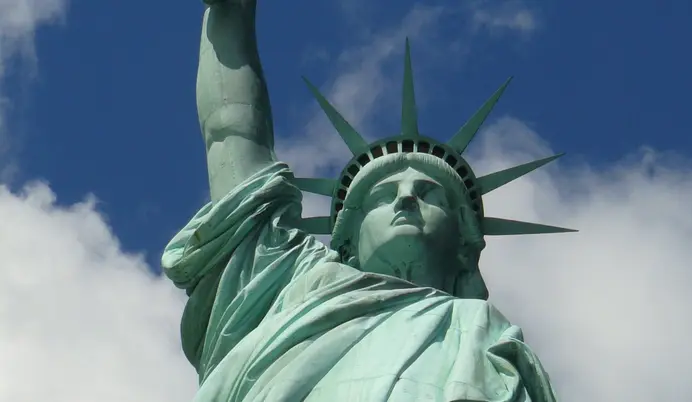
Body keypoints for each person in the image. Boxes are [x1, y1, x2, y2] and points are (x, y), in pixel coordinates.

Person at [162, 0, 572, 400]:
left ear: (465, 245)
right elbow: (231, 130)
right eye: (381, 196)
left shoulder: (486, 337)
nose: (406, 199)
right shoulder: (285, 285)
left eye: (430, 194)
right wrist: (231, 13)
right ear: (347, 243)